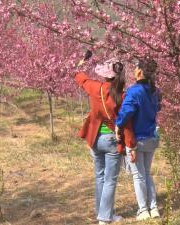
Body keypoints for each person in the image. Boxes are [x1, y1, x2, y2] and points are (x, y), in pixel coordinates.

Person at [75, 54, 136, 225]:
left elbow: (80, 77)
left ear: (104, 75)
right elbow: (127, 123)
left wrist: (82, 62)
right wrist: (131, 146)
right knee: (110, 179)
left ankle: (101, 212)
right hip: (112, 139)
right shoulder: (122, 96)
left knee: (100, 176)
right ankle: (105, 217)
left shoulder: (95, 88)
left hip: (95, 138)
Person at [115, 58, 161, 221]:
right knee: (147, 174)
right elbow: (158, 108)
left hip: (136, 139)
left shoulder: (134, 91)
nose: (134, 70)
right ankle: (153, 207)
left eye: (136, 67)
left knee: (138, 176)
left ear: (141, 71)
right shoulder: (156, 91)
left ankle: (143, 210)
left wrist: (118, 124)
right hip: (151, 137)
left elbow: (126, 112)